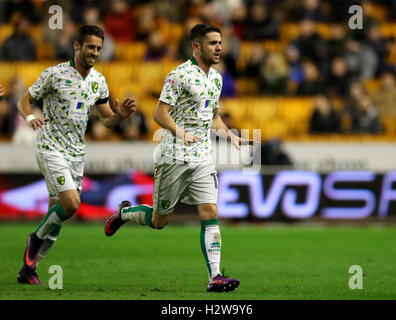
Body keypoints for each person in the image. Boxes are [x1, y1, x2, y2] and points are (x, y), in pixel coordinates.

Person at [105, 24, 253, 293]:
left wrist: (229, 135)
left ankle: (215, 276)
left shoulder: (216, 79)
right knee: (160, 221)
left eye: (220, 42)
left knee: (210, 211)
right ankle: (124, 213)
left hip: (202, 157)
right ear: (196, 47)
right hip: (173, 156)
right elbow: (160, 114)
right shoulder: (179, 75)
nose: (219, 47)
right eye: (212, 43)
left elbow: (214, 114)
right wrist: (180, 132)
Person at [15, 25, 137, 285]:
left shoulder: (98, 81)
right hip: (50, 147)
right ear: (77, 45)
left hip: (76, 154)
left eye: (98, 48)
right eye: (90, 47)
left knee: (57, 217)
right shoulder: (55, 74)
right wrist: (29, 117)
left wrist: (121, 117)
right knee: (71, 203)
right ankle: (33, 242)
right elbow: (23, 100)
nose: (94, 52)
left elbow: (106, 121)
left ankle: (29, 269)